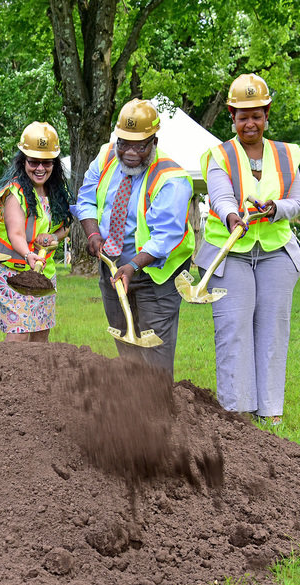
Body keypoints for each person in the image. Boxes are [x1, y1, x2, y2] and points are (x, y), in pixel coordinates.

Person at [198, 74, 300, 423]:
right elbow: (221, 194)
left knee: (274, 328)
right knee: (234, 327)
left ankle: (270, 413)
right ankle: (237, 413)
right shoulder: (218, 154)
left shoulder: (287, 154)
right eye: (242, 115)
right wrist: (231, 217)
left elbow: (298, 202)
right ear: (232, 115)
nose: (250, 123)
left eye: (256, 114)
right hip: (230, 253)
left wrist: (275, 209)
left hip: (276, 251)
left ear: (267, 113)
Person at [73, 99, 194, 377]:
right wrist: (92, 233)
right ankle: (133, 409)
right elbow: (86, 198)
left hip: (156, 275)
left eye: (140, 146)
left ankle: (159, 409)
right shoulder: (106, 156)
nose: (129, 153)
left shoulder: (171, 177)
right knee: (125, 342)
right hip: (114, 268)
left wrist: (133, 266)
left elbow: (166, 237)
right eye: (123, 143)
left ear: (154, 141)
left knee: (155, 349)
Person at [0, 122, 72, 342]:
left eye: (46, 162)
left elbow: (65, 227)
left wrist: (53, 237)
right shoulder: (15, 192)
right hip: (9, 270)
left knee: (41, 334)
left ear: (54, 163)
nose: (40, 168)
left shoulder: (56, 191)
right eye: (33, 162)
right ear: (23, 160)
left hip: (41, 270)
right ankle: (8, 376)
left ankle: (35, 378)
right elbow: (15, 234)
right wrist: (28, 254)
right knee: (20, 335)